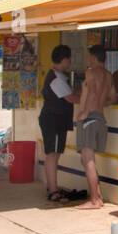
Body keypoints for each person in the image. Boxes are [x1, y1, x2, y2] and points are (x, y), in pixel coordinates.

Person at [75, 44, 117, 209]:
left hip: (89, 119)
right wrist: (98, 106)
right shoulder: (109, 75)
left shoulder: (91, 72)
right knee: (87, 159)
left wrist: (85, 110)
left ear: (93, 57)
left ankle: (94, 200)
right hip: (100, 118)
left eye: (88, 56)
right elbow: (113, 98)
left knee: (88, 159)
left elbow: (89, 92)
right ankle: (98, 196)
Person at [38, 44, 80, 203]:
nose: (70, 62)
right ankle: (53, 190)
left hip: (56, 120)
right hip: (53, 120)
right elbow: (70, 98)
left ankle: (52, 186)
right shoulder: (55, 78)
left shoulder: (59, 76)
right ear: (64, 59)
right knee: (52, 154)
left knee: (55, 154)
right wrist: (91, 99)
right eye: (69, 59)